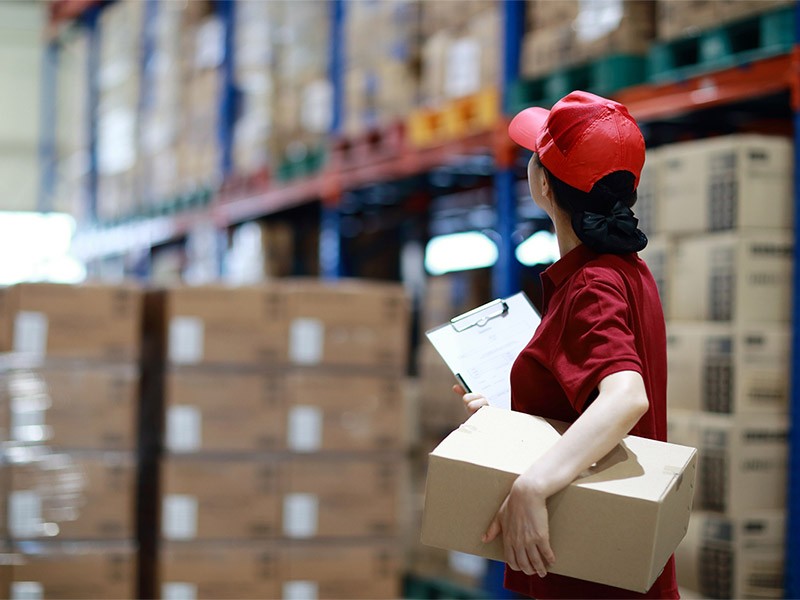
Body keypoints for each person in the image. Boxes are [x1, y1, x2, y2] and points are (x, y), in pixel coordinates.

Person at [453, 90, 678, 599]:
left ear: (545, 186)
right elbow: (586, 405)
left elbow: (625, 397)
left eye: (535, 156)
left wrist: (533, 485)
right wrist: (510, 420)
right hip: (616, 558)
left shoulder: (592, 286)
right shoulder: (626, 272)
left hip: (591, 575)